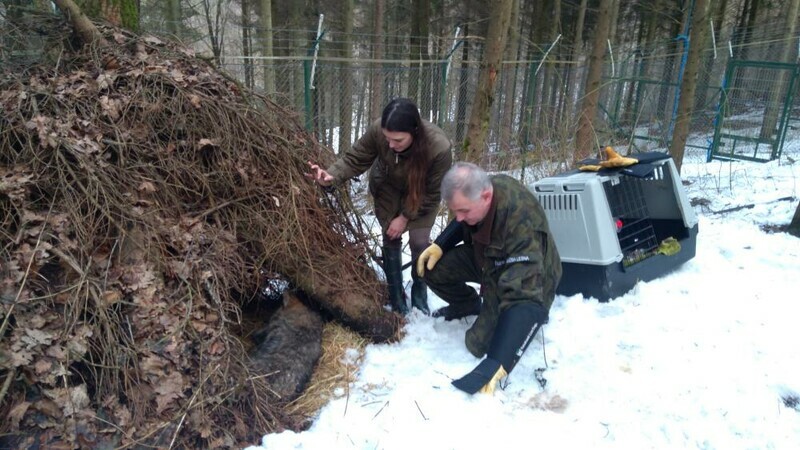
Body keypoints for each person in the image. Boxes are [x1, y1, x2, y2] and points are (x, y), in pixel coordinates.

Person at [416, 162, 562, 394]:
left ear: (485, 196)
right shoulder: (480, 190)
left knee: (477, 345)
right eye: (456, 211)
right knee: (431, 268)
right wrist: (441, 244)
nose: (459, 218)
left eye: (464, 211)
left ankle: (511, 323)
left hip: (530, 277)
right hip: (487, 259)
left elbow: (523, 296)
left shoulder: (522, 223)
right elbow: (462, 218)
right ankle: (468, 303)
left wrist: (498, 361)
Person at [306, 98, 452, 315]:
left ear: (415, 132)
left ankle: (420, 292)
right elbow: (355, 158)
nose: (391, 144)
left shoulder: (438, 148)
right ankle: (396, 296)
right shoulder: (378, 130)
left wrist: (404, 218)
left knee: (420, 242)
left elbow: (432, 194)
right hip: (388, 187)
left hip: (421, 195)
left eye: (398, 140)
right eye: (387, 139)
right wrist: (331, 176)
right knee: (390, 235)